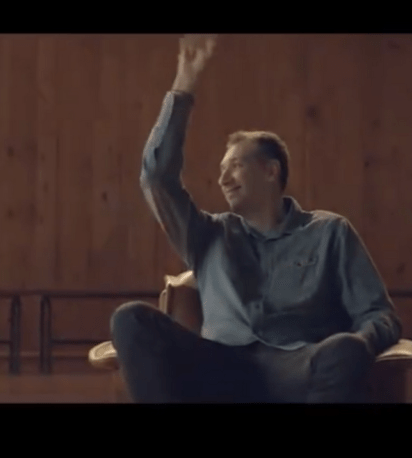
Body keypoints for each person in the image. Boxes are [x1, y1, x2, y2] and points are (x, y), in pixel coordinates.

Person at [110, 35, 402, 403]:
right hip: (219, 365)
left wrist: (358, 345)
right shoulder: (206, 234)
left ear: (270, 171)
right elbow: (156, 178)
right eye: (221, 169)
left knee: (344, 348)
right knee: (131, 318)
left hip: (297, 366)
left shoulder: (329, 231)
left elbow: (379, 314)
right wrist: (184, 83)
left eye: (235, 165)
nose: (223, 179)